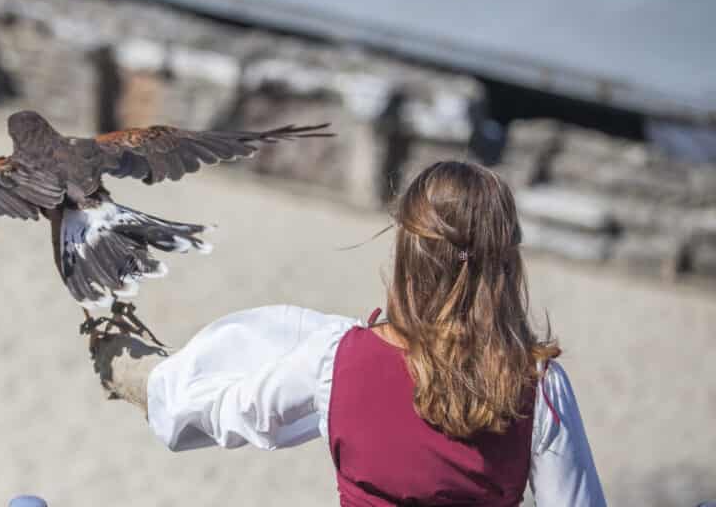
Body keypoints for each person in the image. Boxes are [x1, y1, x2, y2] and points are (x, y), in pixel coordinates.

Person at [89, 161, 607, 506]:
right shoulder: (539, 389)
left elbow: (231, 413)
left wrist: (147, 378)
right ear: (507, 264)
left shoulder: (338, 358)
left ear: (407, 253)